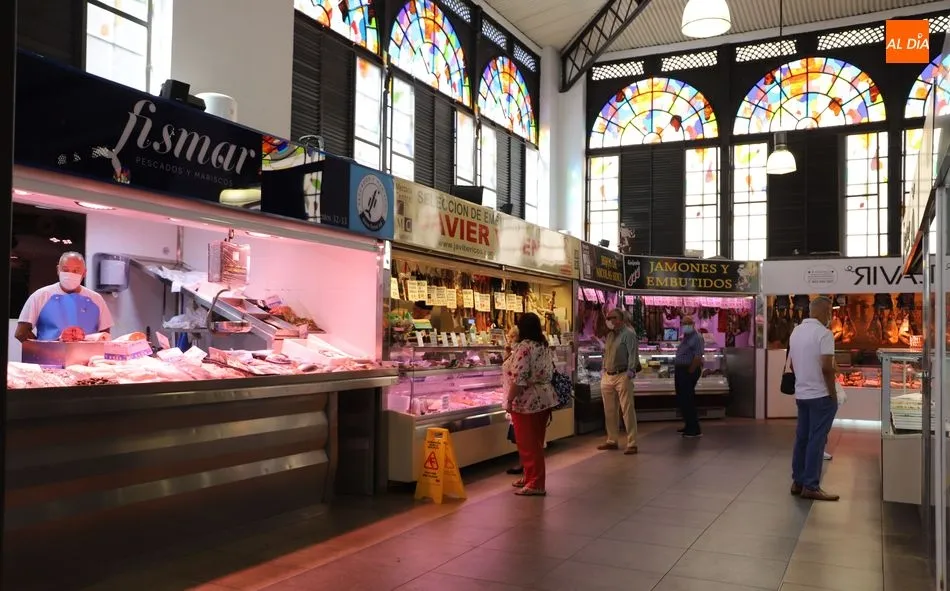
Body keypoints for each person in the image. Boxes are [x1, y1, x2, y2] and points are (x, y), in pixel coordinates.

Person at [788, 296, 839, 501]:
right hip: (820, 395)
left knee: (802, 438)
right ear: (822, 311)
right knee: (817, 440)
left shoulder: (796, 331)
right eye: (830, 312)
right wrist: (832, 394)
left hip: (802, 394)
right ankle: (811, 485)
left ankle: (798, 482)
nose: (831, 316)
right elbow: (827, 367)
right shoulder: (824, 334)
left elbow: (791, 365)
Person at [504, 313, 557, 496]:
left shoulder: (524, 348)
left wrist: (509, 400)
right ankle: (529, 476)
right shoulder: (543, 345)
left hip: (527, 401)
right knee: (535, 441)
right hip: (544, 398)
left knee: (528, 443)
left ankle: (536, 482)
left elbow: (519, 379)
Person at [15, 252, 113, 342]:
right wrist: (43, 349)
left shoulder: (96, 299)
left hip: (87, 358)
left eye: (76, 271)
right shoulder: (40, 296)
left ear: (84, 273)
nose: (70, 274)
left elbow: (104, 335)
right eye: (65, 270)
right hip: (48, 359)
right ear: (58, 269)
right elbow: (21, 333)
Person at [598, 308, 639, 454]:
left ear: (620, 319)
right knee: (609, 410)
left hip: (622, 374)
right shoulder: (610, 335)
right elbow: (606, 353)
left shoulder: (628, 334)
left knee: (627, 409)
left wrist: (630, 371)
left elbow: (633, 353)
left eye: (612, 317)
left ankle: (632, 442)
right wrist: (603, 369)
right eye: (608, 317)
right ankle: (612, 439)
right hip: (608, 375)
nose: (609, 320)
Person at [673, 315, 704, 438]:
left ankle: (694, 429)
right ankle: (688, 424)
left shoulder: (697, 337)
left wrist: (690, 371)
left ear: (693, 324)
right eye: (683, 323)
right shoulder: (686, 337)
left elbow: (698, 356)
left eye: (687, 323)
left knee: (688, 399)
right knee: (682, 399)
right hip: (681, 370)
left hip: (688, 370)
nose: (685, 326)